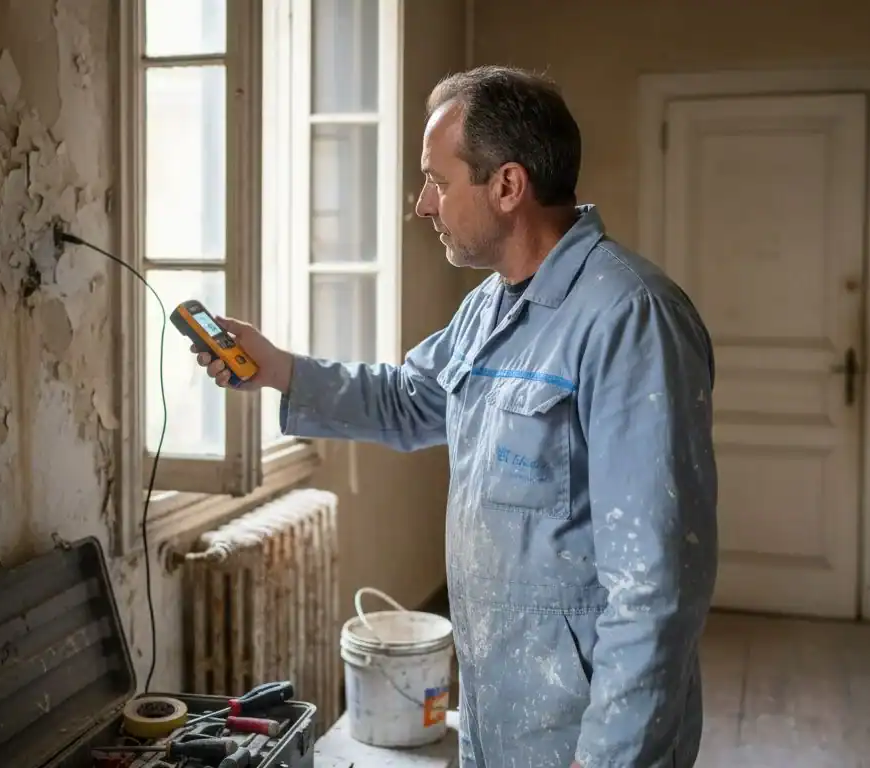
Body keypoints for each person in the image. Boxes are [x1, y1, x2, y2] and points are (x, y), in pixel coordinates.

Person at [191, 65, 718, 768]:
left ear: (507, 186)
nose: (422, 205)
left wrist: (610, 758)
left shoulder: (629, 319)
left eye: (438, 181)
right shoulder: (490, 309)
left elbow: (657, 588)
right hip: (498, 717)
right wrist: (277, 368)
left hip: (585, 737)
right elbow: (409, 400)